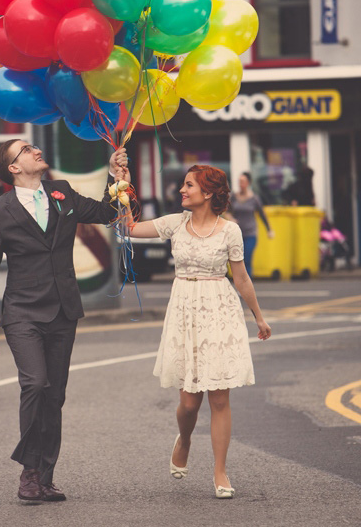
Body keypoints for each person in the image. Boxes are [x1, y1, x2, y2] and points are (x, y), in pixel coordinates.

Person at [0, 140, 128, 502]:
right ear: (13, 167)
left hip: (63, 310)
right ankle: (29, 474)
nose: (35, 150)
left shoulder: (63, 193)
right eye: (26, 149)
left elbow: (109, 213)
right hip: (22, 313)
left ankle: (45, 475)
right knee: (36, 384)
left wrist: (116, 177)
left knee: (54, 395)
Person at [124, 164, 271, 499]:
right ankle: (186, 439)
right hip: (184, 310)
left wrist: (259, 318)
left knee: (219, 396)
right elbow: (129, 227)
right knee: (189, 403)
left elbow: (242, 278)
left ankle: (220, 470)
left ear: (208, 193)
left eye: (188, 185)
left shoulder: (230, 231)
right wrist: (123, 188)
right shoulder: (175, 223)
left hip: (220, 309)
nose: (181, 190)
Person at [230, 172, 274, 278]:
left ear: (248, 183)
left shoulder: (254, 198)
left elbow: (262, 214)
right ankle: (239, 284)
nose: (241, 184)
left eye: (243, 181)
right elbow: (227, 211)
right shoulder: (234, 197)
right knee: (237, 260)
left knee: (247, 258)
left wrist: (269, 229)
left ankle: (247, 284)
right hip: (237, 234)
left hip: (250, 233)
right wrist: (231, 218)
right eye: (239, 181)